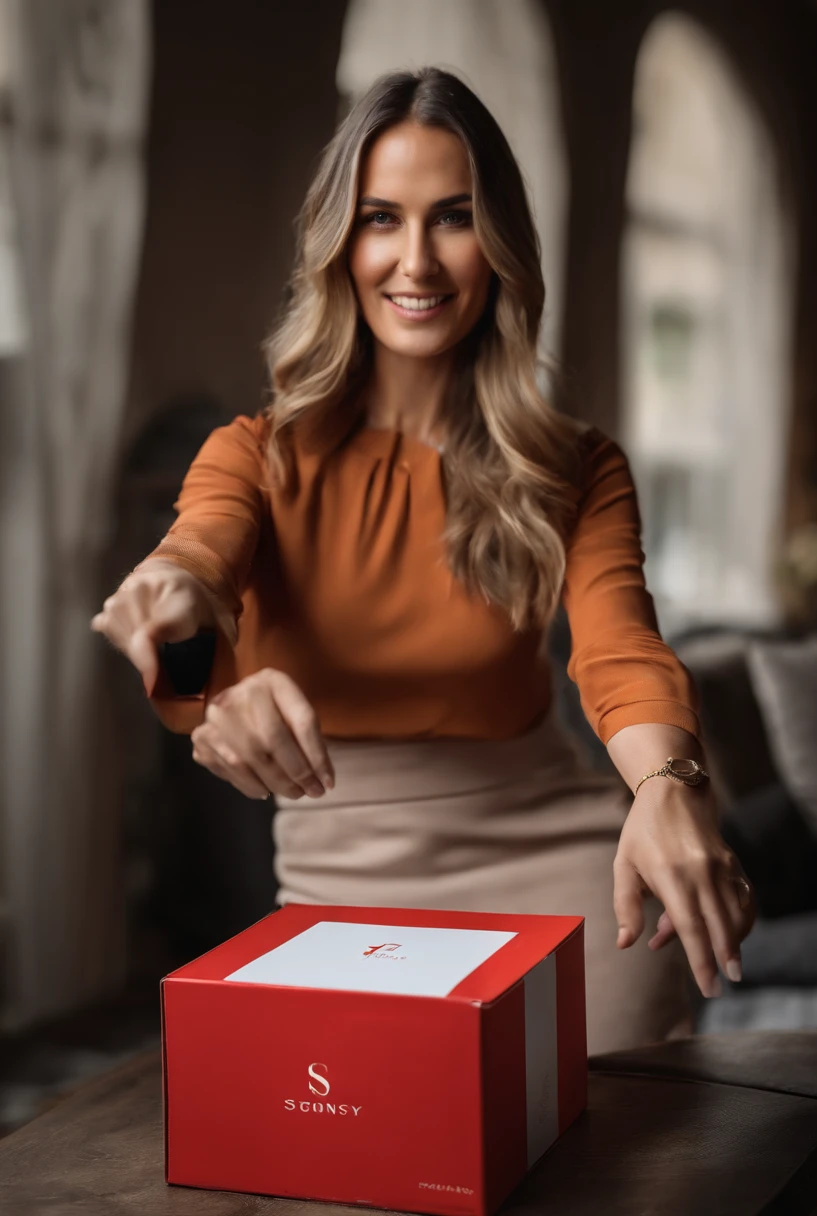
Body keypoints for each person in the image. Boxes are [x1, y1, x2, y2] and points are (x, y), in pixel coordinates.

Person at [92, 67, 756, 1055]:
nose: (417, 260)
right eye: (379, 220)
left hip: (562, 878)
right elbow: (193, 581)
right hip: (339, 889)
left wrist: (667, 785)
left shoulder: (572, 466)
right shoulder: (254, 457)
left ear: (498, 246)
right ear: (337, 244)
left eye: (452, 218)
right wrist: (183, 635)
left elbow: (620, 657)